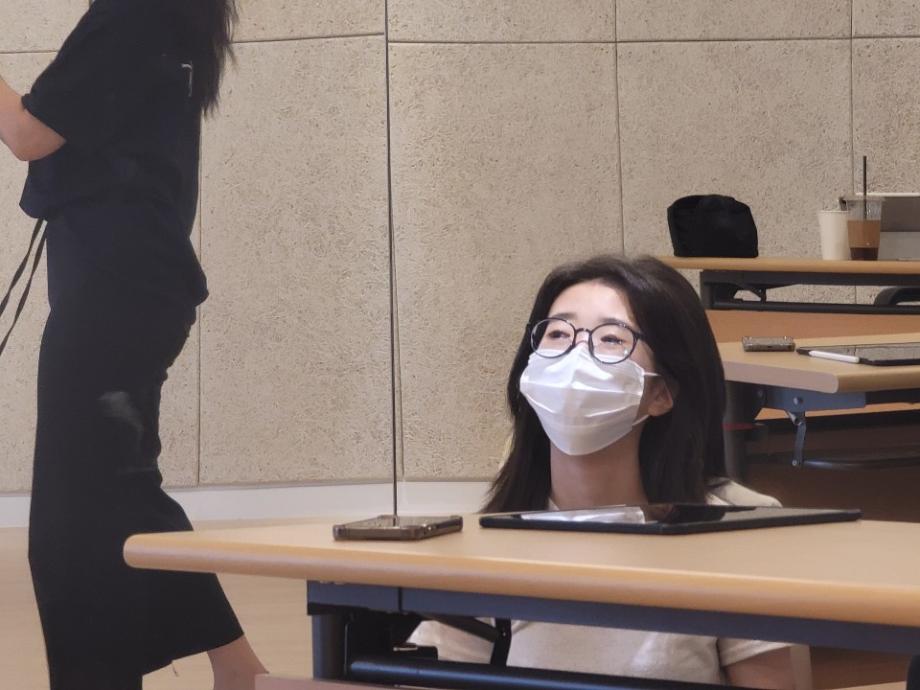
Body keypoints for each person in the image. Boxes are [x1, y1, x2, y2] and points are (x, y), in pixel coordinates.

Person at [0, 1, 268, 689]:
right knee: (115, 495)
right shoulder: (165, 15)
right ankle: (238, 669)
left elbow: (29, 133)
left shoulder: (132, 10)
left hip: (116, 289)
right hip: (136, 285)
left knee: (72, 527)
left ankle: (227, 671)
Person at [412, 254, 798, 688]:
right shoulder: (488, 545)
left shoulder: (731, 532)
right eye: (558, 333)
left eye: (611, 339)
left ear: (662, 392)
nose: (576, 355)